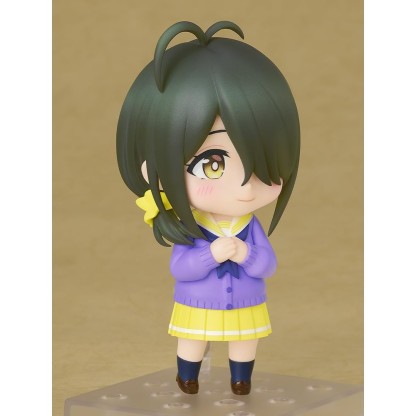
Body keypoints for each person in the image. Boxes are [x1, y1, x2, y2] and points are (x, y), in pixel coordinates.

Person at [116, 20, 300, 395]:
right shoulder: (194, 225)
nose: (245, 187)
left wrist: (247, 254)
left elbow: (268, 264)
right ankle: (187, 376)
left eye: (264, 164)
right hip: (198, 302)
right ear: (155, 169)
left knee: (245, 341)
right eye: (212, 164)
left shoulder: (249, 226)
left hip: (247, 300)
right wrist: (211, 254)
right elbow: (180, 267)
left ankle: (241, 379)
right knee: (192, 339)